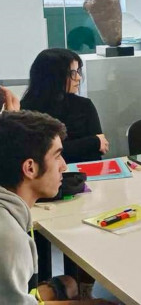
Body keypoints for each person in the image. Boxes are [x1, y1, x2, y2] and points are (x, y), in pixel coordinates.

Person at [0, 111, 115, 304]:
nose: (63, 166)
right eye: (57, 156)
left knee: (68, 284)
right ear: (30, 168)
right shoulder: (10, 240)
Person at [21, 49, 108, 164]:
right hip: (45, 178)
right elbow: (35, 155)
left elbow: (102, 146)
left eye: (78, 71)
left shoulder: (84, 105)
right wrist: (91, 143)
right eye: (72, 73)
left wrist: (63, 149)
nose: (78, 77)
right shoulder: (27, 109)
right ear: (53, 76)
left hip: (85, 174)